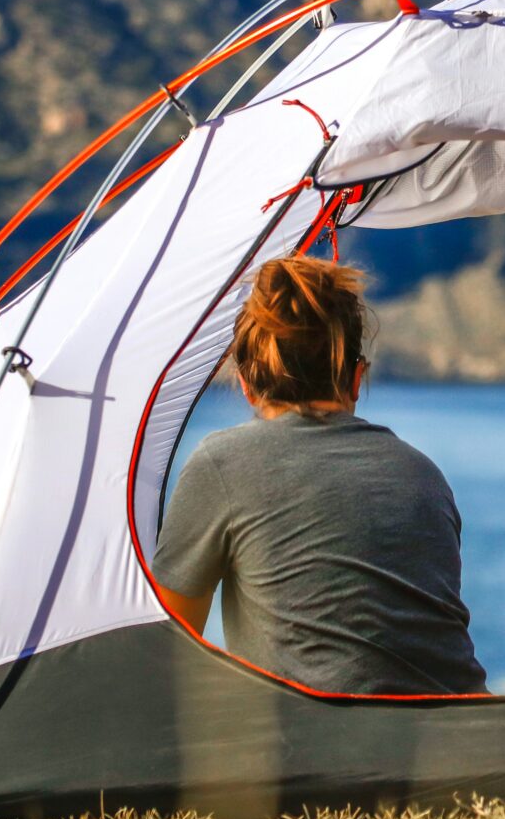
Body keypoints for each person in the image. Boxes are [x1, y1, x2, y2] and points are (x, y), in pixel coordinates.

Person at [152, 254, 487, 696]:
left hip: (319, 749)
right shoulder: (422, 473)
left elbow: (172, 646)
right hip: (466, 738)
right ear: (355, 378)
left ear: (248, 385)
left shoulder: (222, 463)